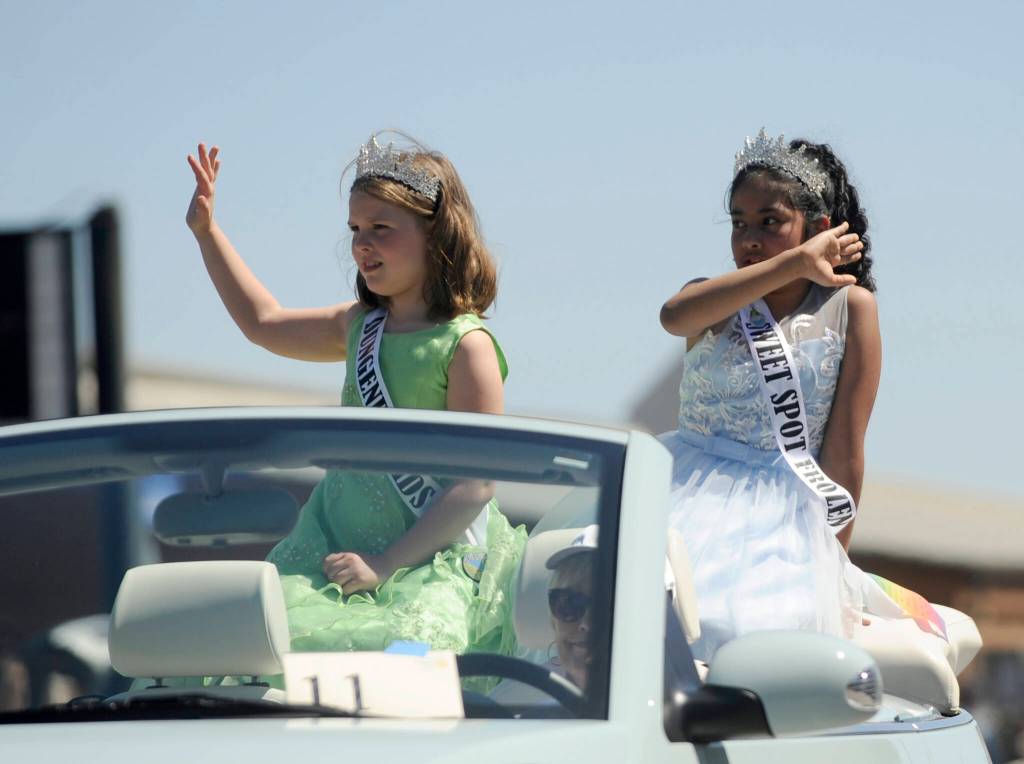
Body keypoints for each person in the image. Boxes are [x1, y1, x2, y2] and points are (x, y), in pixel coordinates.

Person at [185, 133, 527, 660]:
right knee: (254, 650)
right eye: (355, 229)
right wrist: (207, 233)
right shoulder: (359, 326)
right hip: (330, 550)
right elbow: (263, 323)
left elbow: (475, 485)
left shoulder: (467, 345)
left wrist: (386, 563)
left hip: (424, 564)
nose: (362, 244)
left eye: (381, 229)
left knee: (401, 668)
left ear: (436, 235)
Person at [658, 128, 880, 662]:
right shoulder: (710, 297)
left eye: (770, 222)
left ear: (819, 229)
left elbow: (845, 449)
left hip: (785, 514)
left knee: (745, 629)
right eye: (739, 223)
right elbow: (672, 317)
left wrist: (833, 566)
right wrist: (792, 262)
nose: (749, 239)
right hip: (680, 491)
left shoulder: (853, 309)